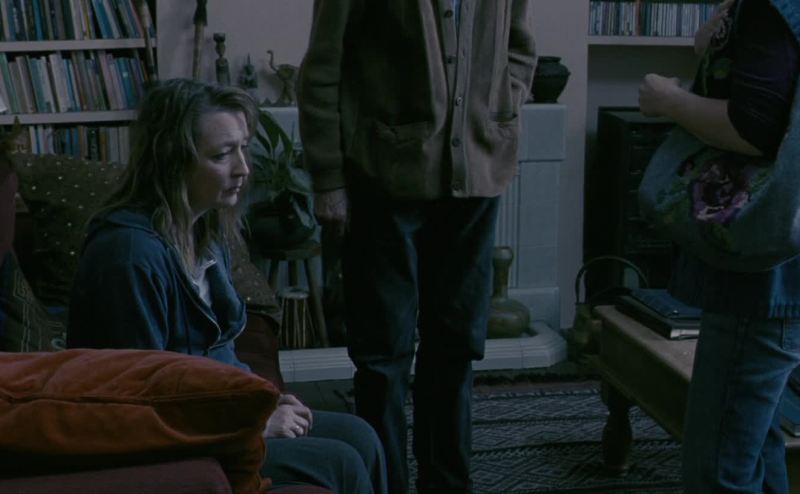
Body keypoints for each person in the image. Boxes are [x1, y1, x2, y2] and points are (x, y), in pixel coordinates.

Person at [67, 78, 387, 494]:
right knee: (340, 462)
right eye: (222, 154)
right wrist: (253, 425)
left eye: (243, 147)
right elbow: (141, 405)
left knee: (362, 435)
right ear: (172, 159)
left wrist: (262, 398)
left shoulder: (205, 229)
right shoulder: (129, 256)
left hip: (222, 412)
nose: (243, 169)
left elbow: (222, 356)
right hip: (181, 440)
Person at [297, 2, 537, 492]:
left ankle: (447, 484)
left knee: (456, 348)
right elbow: (322, 68)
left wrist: (503, 102)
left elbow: (519, 46)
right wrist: (328, 177)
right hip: (382, 178)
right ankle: (385, 485)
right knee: (382, 356)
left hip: (475, 179)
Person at [638, 0, 800, 492]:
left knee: (718, 469)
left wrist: (668, 99)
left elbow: (753, 126)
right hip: (785, 270)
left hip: (761, 277)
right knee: (754, 446)